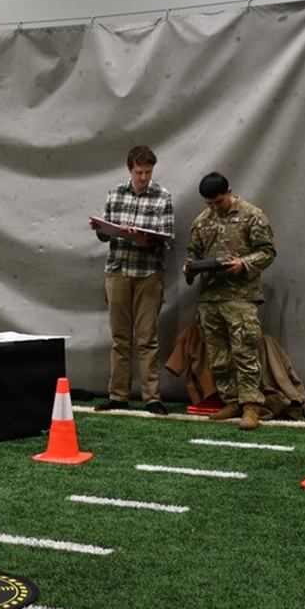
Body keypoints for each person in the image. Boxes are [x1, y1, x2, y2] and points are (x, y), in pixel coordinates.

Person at [183, 172, 277, 430]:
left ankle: (251, 406)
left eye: (219, 202)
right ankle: (231, 400)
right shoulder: (201, 222)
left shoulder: (252, 216)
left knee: (244, 351)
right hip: (210, 298)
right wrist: (190, 268)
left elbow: (268, 252)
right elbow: (193, 253)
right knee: (218, 355)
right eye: (209, 203)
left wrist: (243, 264)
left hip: (241, 297)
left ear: (229, 192)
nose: (214, 208)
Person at [90, 145, 175, 415]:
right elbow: (106, 235)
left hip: (148, 273)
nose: (143, 177)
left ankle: (152, 398)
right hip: (118, 270)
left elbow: (168, 240)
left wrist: (144, 239)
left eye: (148, 172)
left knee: (148, 338)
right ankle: (118, 395)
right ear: (130, 170)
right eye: (139, 172)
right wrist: (101, 229)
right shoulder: (115, 194)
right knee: (120, 337)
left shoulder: (163, 197)